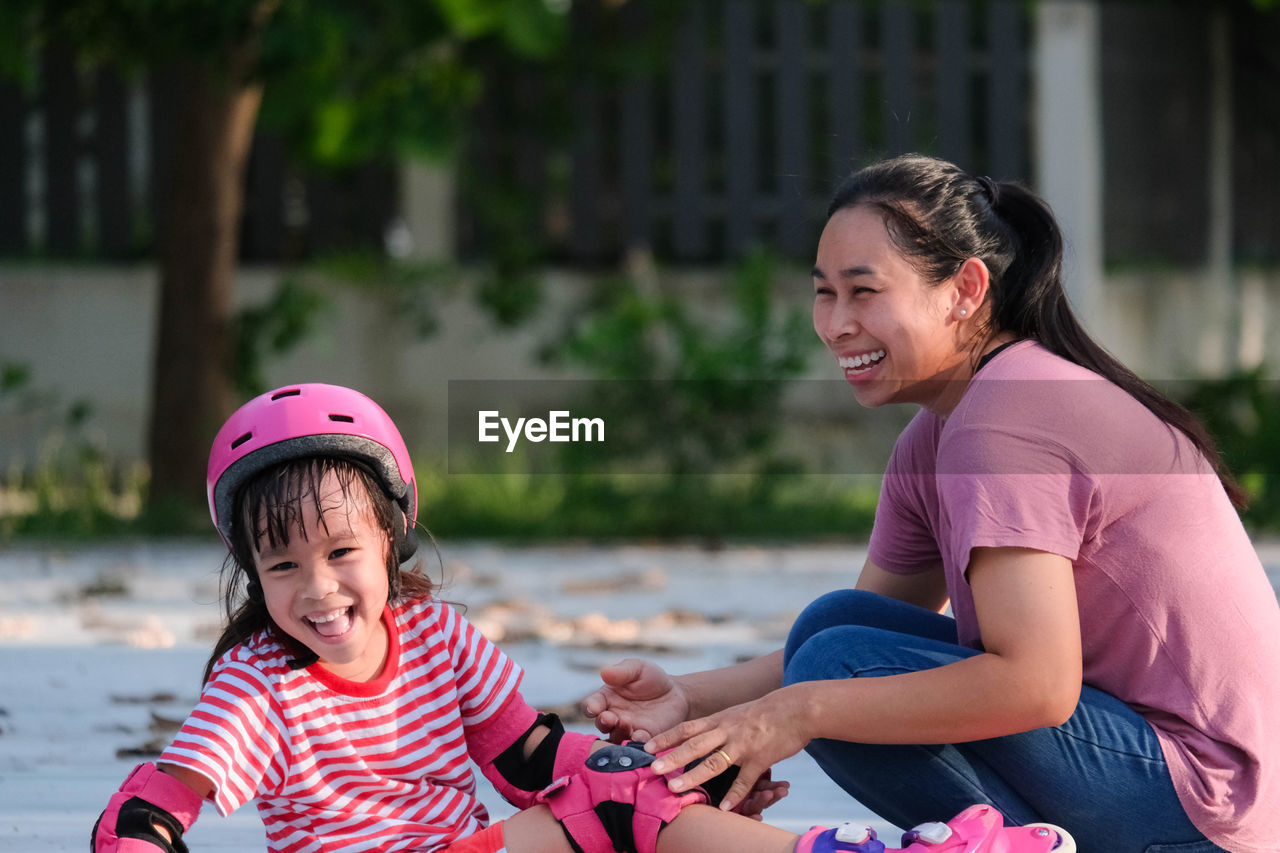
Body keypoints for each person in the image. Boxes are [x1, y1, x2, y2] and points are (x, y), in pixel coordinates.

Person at [584, 155, 1280, 853]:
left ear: (965, 289)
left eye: (864, 291)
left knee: (832, 672)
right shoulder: (948, 426)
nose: (835, 324)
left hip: (1210, 805)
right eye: (824, 293)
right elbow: (843, 644)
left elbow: (1037, 684)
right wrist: (693, 701)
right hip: (1157, 768)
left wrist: (799, 710)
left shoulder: (1006, 419)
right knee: (831, 627)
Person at [90, 382, 1067, 853]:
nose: (318, 588)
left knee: (617, 784)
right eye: (281, 564)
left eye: (342, 552)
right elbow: (155, 803)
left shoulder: (439, 640)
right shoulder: (262, 683)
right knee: (613, 805)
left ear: (391, 541)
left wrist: (678, 772)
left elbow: (526, 762)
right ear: (249, 574)